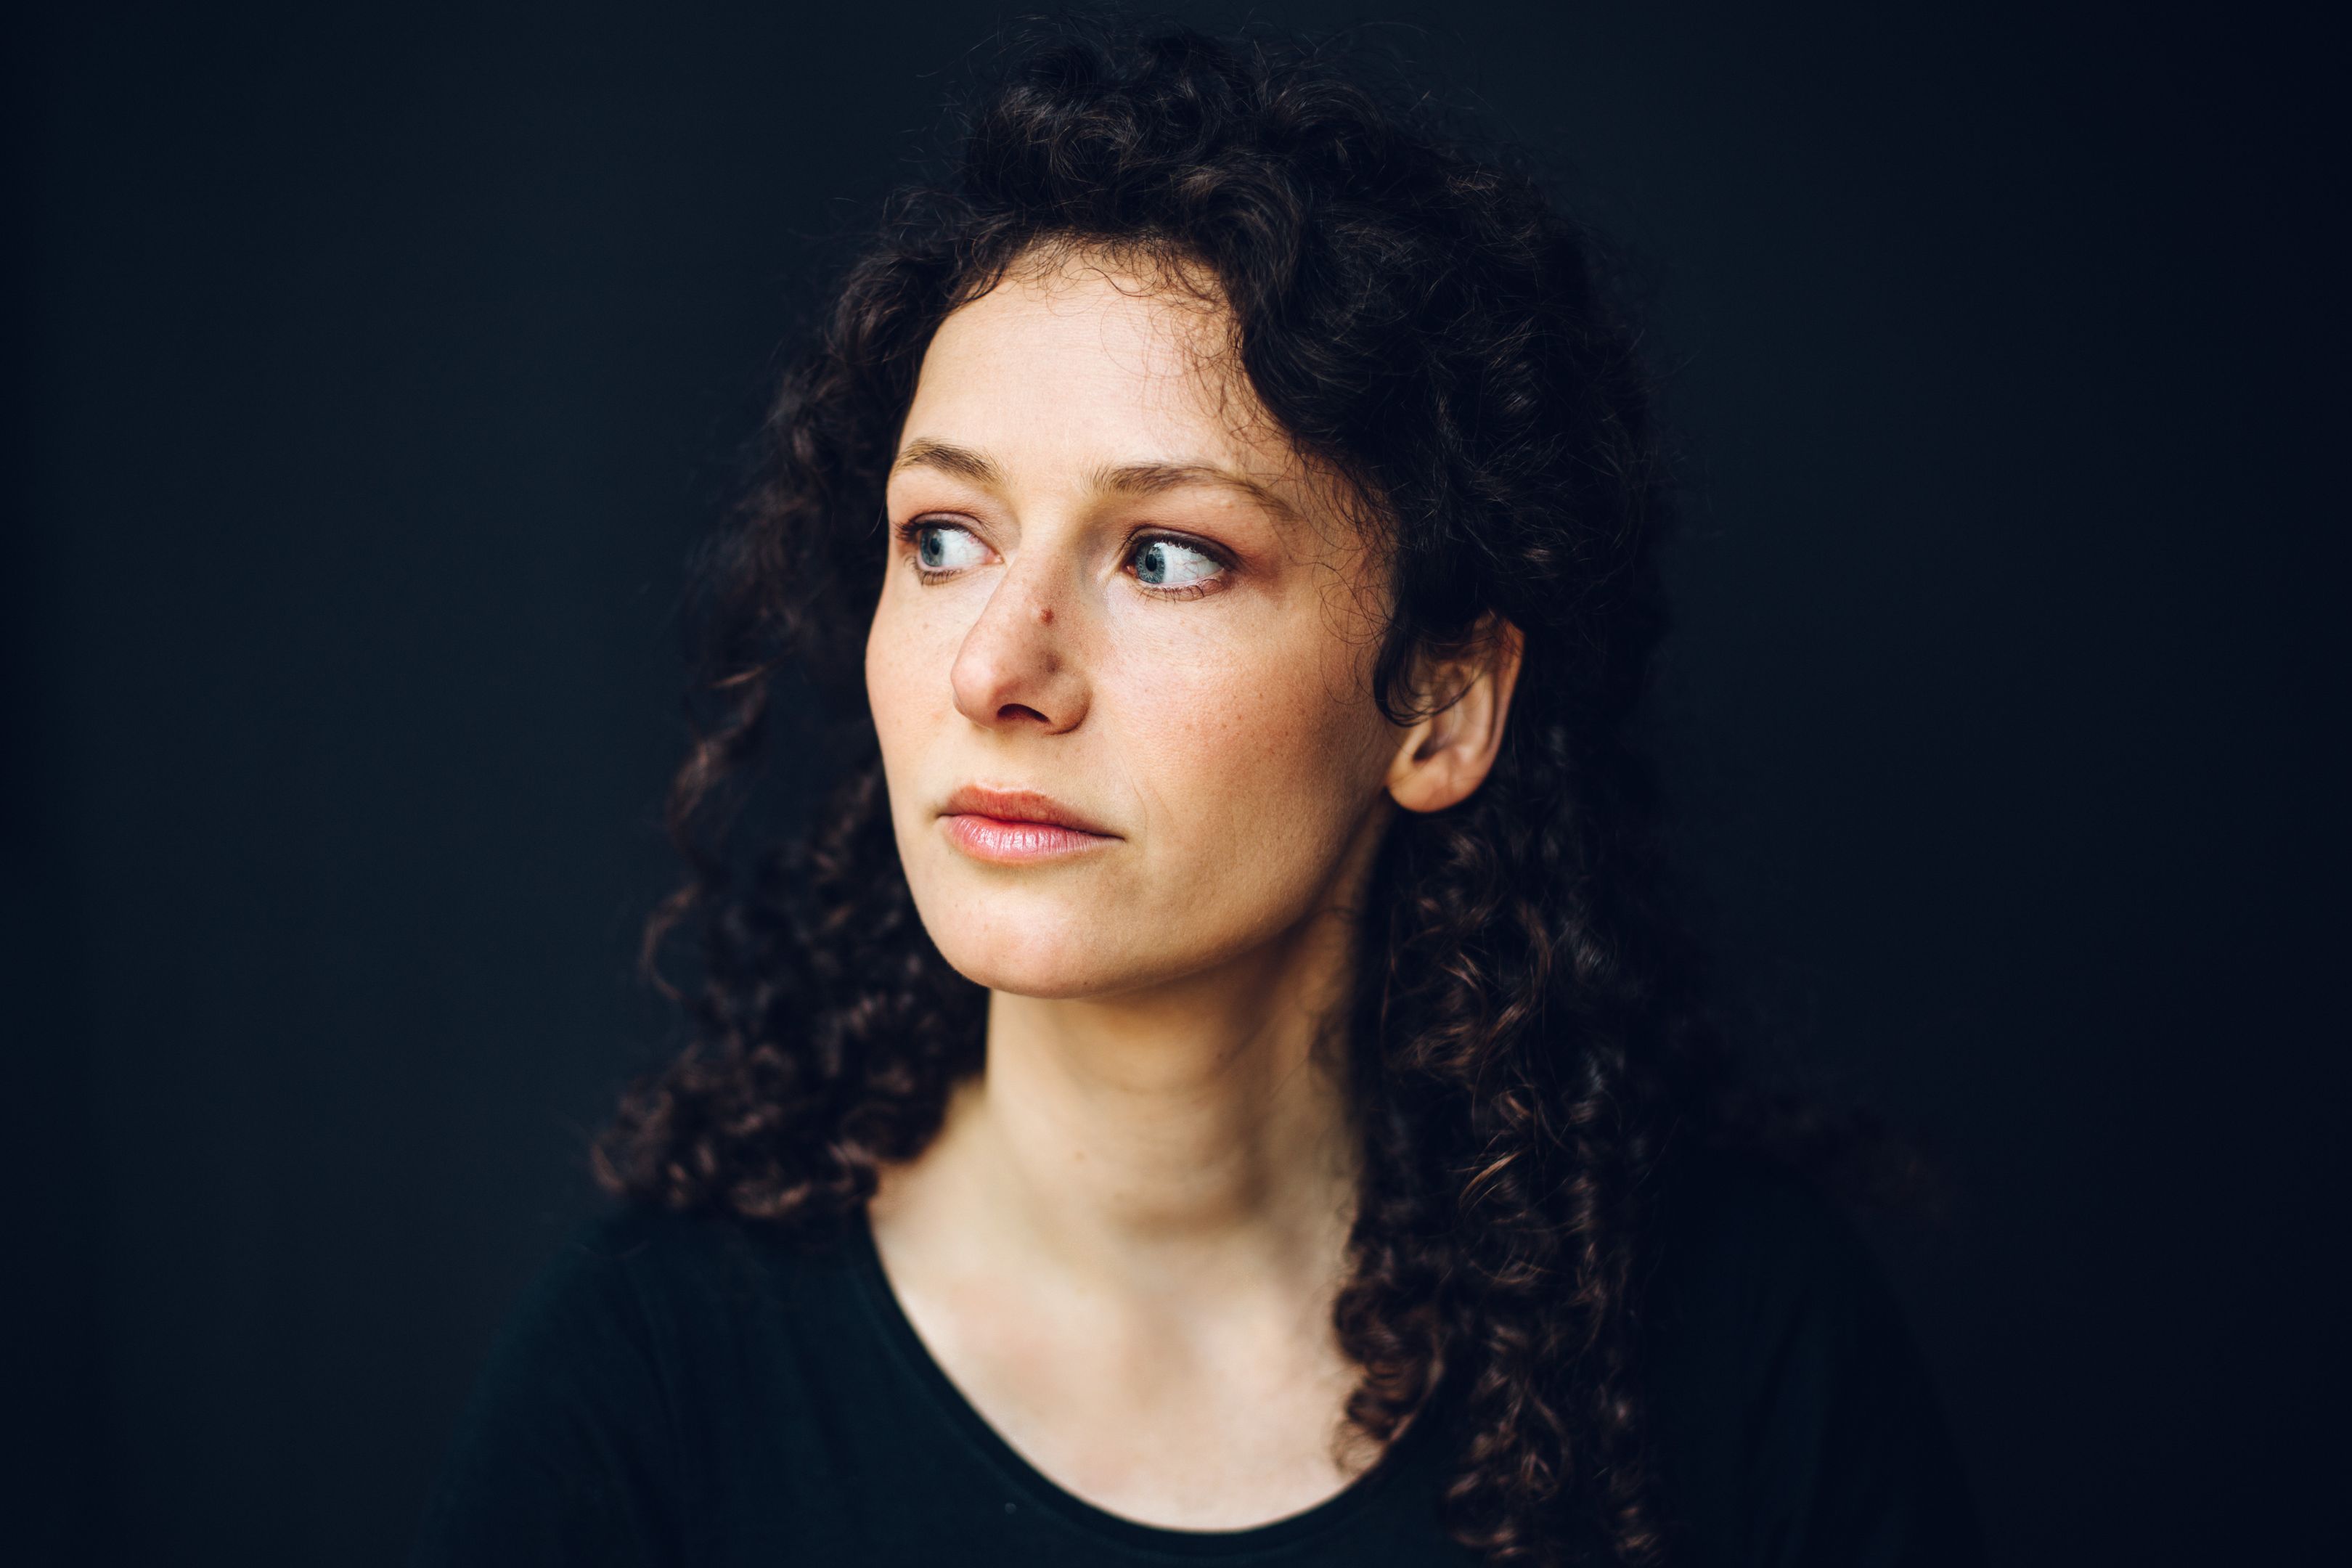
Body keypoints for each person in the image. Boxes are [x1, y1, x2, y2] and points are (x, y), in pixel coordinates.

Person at [411, 19, 1981, 1568]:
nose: (997, 668)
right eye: (944, 538)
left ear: (1442, 704)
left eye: (1168, 557)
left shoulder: (1748, 1354)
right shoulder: (653, 1382)